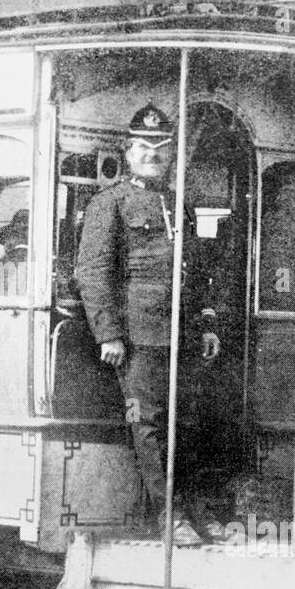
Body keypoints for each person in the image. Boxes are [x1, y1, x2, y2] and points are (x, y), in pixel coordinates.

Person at [73, 104, 221, 544]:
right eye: (143, 146)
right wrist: (110, 334)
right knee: (148, 425)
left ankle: (196, 510)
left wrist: (207, 323)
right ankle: (169, 518)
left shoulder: (179, 205)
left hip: (183, 336)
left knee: (188, 424)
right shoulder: (110, 203)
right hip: (138, 340)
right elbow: (92, 272)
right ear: (128, 150)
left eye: (161, 147)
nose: (152, 154)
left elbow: (198, 270)